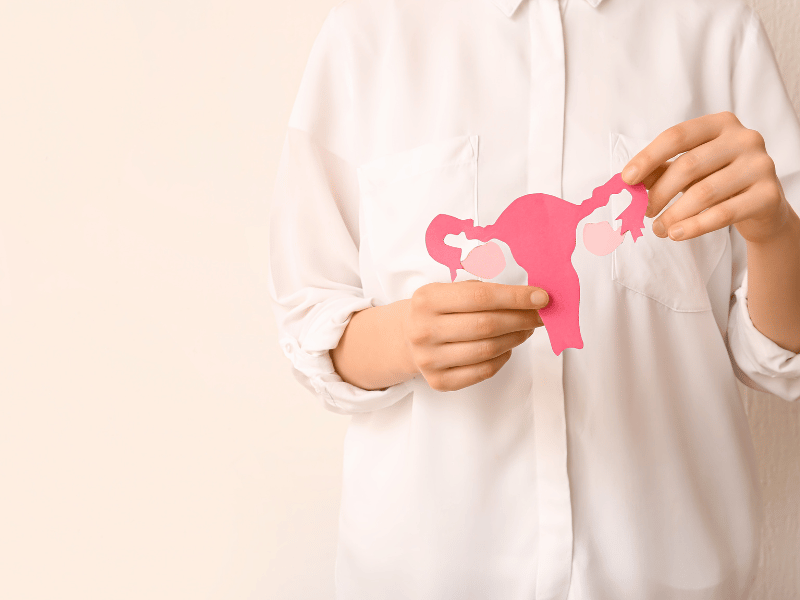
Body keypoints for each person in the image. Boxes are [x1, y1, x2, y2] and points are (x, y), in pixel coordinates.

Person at [268, 0, 800, 598]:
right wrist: (403, 338)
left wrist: (775, 230)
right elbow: (310, 320)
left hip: (672, 576)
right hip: (424, 576)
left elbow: (776, 360)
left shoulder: (714, 25)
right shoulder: (369, 30)